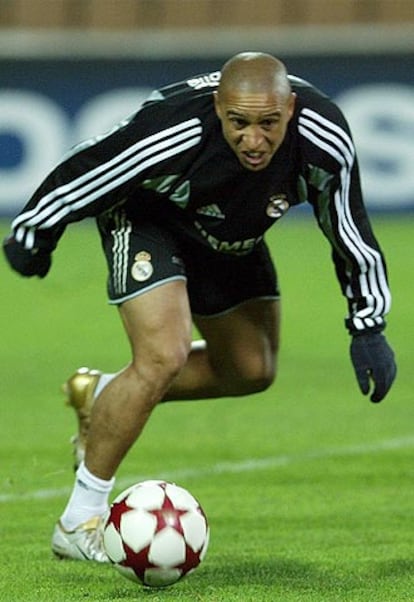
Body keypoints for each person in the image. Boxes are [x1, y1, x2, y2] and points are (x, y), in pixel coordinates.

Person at [3, 52, 396, 562]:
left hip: (232, 234)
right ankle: (78, 521)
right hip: (150, 218)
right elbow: (93, 163)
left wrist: (368, 325)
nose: (254, 140)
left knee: (252, 370)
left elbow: (348, 230)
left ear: (292, 109)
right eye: (238, 123)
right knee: (162, 355)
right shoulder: (175, 130)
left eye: (269, 124)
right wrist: (36, 231)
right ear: (217, 107)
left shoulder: (323, 140)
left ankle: (102, 396)